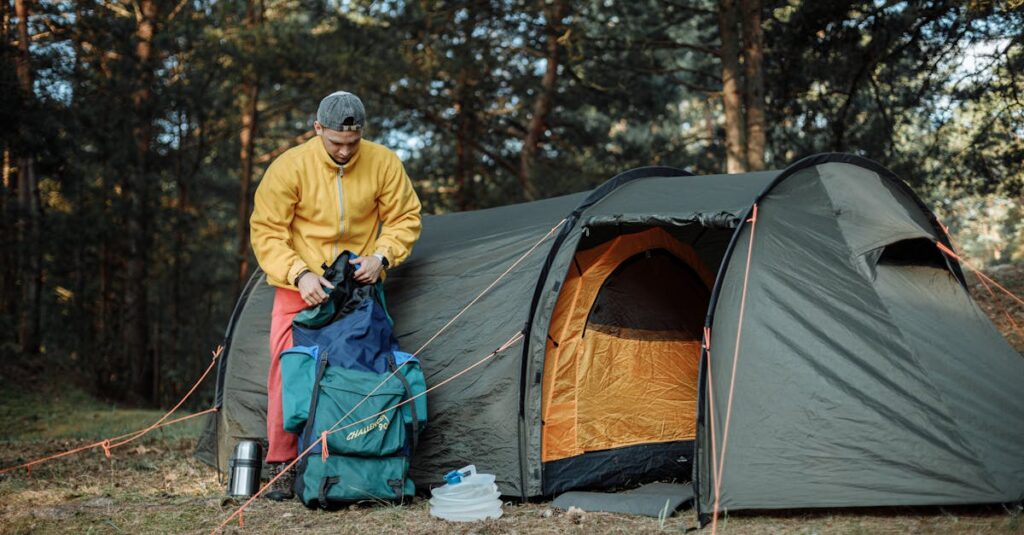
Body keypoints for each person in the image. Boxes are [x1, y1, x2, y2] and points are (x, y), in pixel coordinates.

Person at [249, 91, 422, 500]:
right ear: (317, 129)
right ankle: (284, 465)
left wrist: (382, 256)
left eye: (352, 142)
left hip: (356, 287)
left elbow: (405, 217)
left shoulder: (383, 163)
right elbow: (267, 230)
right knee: (288, 369)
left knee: (357, 371)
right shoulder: (289, 167)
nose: (344, 151)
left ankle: (349, 461)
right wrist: (298, 272)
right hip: (301, 285)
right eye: (335, 143)